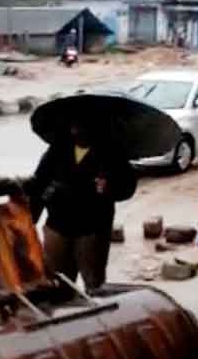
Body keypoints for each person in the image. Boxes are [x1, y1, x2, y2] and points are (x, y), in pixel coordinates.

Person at [28, 122, 136, 291]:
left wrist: (109, 188)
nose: (77, 130)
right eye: (73, 125)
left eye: (82, 125)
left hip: (92, 231)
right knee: (57, 285)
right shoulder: (56, 151)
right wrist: (30, 219)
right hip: (57, 228)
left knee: (94, 286)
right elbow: (39, 185)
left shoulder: (110, 152)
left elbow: (128, 187)